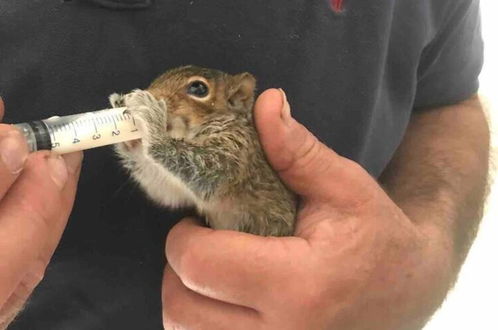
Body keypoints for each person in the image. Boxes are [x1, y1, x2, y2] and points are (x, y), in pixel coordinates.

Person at [0, 0, 489, 329]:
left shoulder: (230, 136)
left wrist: (423, 261)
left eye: (195, 91)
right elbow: (172, 188)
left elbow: (445, 99)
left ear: (235, 98)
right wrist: (141, 149)